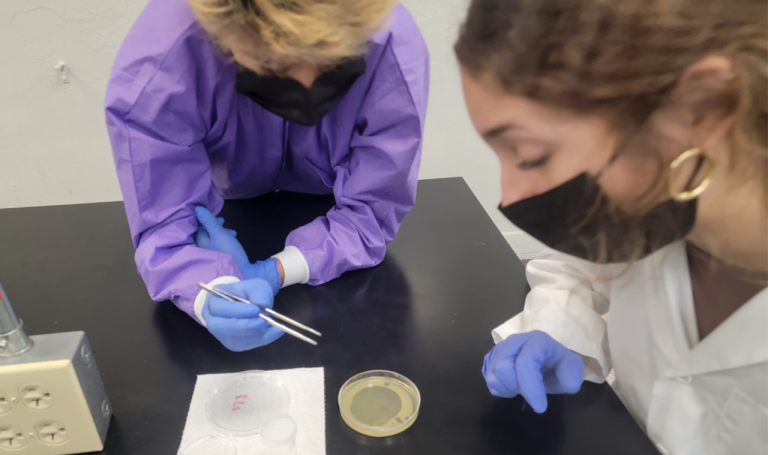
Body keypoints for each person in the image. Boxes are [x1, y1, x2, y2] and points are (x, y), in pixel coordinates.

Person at [455, 0, 767, 453]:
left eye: (532, 154)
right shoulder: (653, 204)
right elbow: (579, 268)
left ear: (702, 105)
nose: (511, 195)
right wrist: (558, 328)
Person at [105, 0, 429, 352]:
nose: (306, 84)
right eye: (275, 65)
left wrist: (279, 269)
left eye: (331, 64)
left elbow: (373, 208)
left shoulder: (388, 41)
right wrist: (207, 290)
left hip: (330, 201)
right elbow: (164, 217)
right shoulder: (162, 60)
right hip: (230, 206)